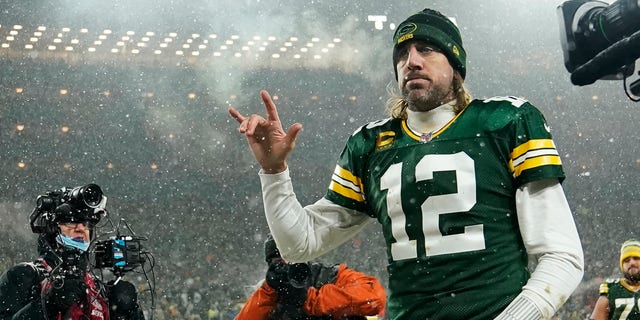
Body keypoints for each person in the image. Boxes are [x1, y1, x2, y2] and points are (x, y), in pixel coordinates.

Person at [229, 7, 585, 320]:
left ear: (455, 63)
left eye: (426, 49)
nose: (411, 60)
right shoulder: (370, 144)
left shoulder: (506, 121)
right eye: (402, 53)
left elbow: (562, 256)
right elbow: (298, 244)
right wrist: (274, 172)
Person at [0, 184, 145, 320]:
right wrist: (49, 304)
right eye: (71, 222)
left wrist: (130, 313)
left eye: (87, 224)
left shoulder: (101, 292)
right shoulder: (24, 276)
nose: (81, 229)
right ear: (52, 229)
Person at [235, 236, 386, 320]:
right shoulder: (270, 292)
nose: (284, 265)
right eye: (276, 262)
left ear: (303, 255)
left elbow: (375, 299)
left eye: (288, 258)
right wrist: (268, 291)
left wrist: (311, 299)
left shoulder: (330, 276)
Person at [590, 240, 640, 320]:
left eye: (636, 258)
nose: (631, 263)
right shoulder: (612, 290)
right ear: (622, 265)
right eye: (627, 260)